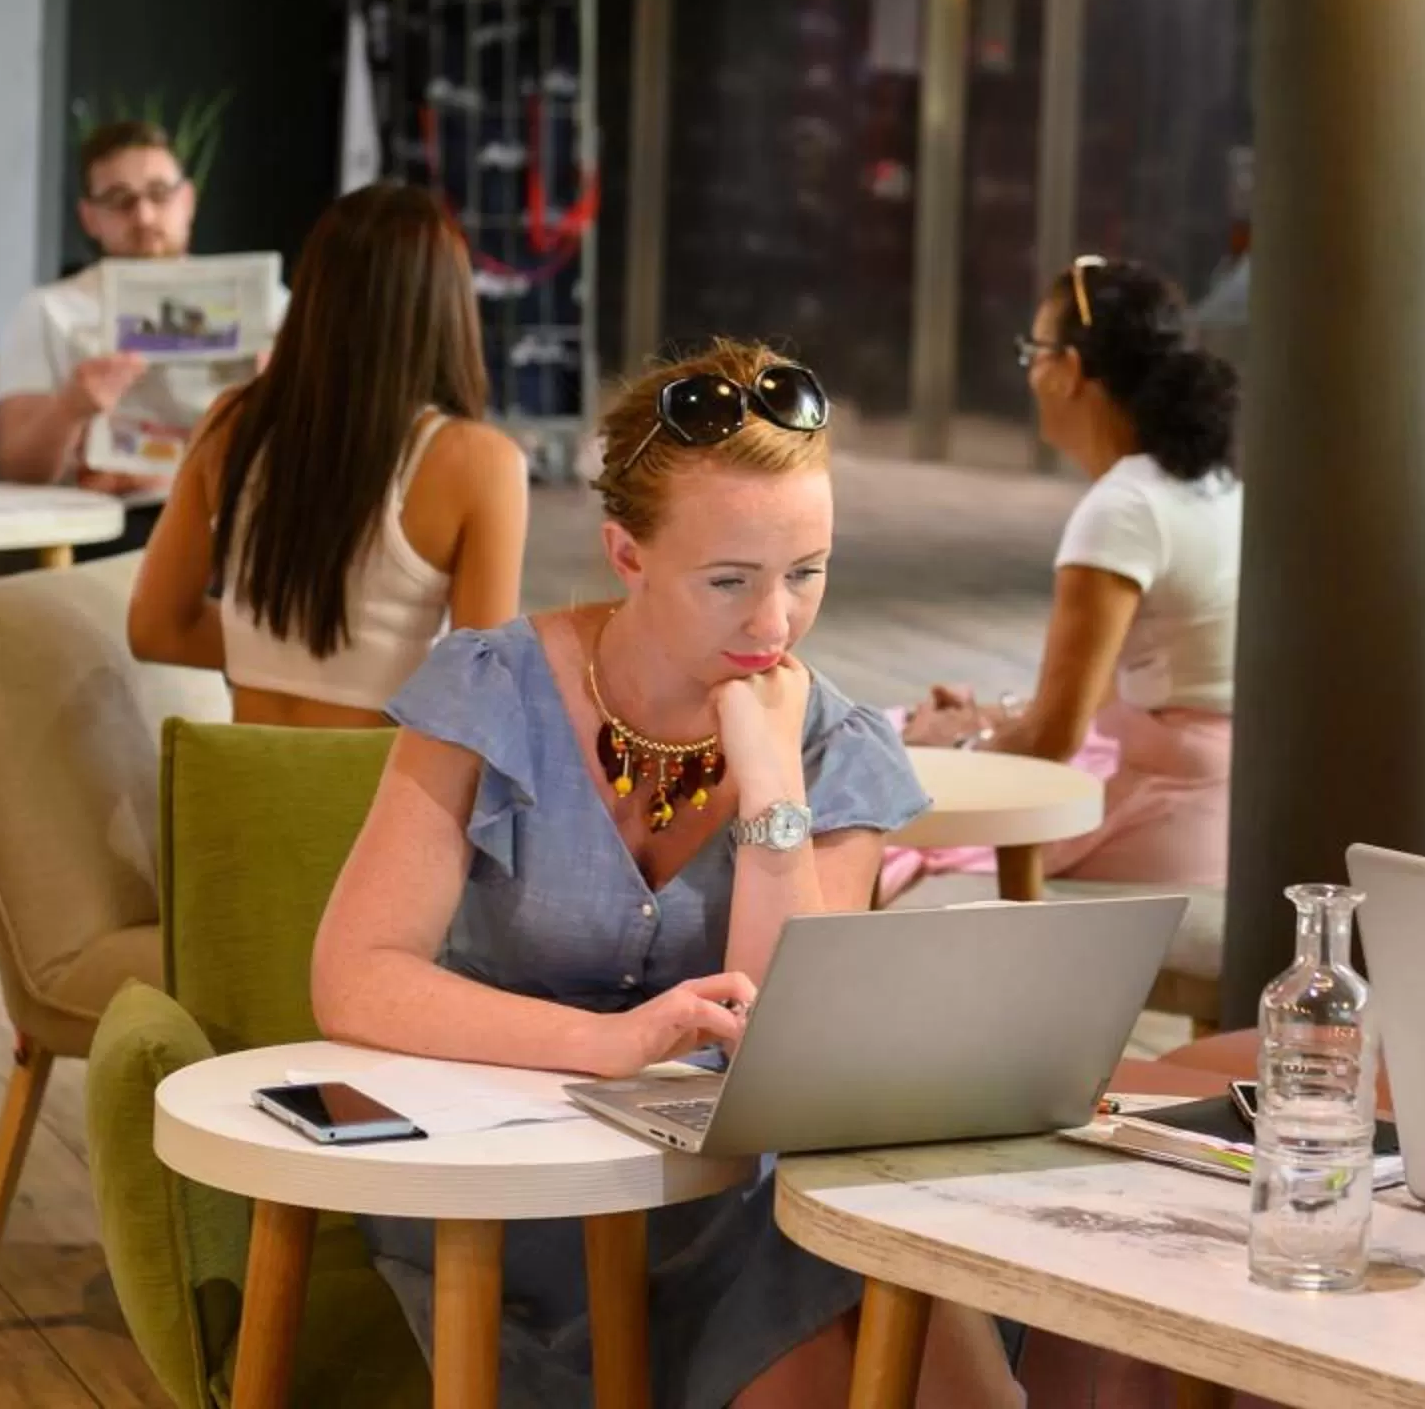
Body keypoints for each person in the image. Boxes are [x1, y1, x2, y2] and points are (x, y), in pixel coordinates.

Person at [309, 341, 1018, 1409]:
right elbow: (356, 975)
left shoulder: (835, 747)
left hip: (736, 1190)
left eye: (806, 572)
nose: (774, 623)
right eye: (730, 580)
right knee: (846, 1320)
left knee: (873, 1272)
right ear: (626, 554)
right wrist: (608, 1043)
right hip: (514, 1180)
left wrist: (773, 785)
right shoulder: (490, 685)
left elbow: (793, 1046)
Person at [892, 255, 1241, 891]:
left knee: (878, 797)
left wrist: (954, 749)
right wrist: (993, 717)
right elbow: (1104, 692)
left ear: (1071, 372)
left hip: (1169, 807)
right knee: (896, 728)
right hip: (1215, 787)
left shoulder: (1123, 508)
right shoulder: (1204, 481)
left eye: (1036, 350)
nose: (1031, 370)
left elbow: (1054, 736)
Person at [128, 183, 528, 726]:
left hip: (228, 797)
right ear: (448, 307)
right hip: (369, 802)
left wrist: (273, 645)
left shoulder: (230, 423)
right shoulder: (481, 462)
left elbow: (158, 629)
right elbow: (480, 698)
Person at [0, 119, 282, 550]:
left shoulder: (268, 304)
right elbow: (18, 467)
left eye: (159, 195)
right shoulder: (49, 309)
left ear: (188, 200)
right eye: (118, 200)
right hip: (118, 524)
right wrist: (71, 408)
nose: (143, 216)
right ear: (89, 217)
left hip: (239, 513)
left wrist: (281, 394)